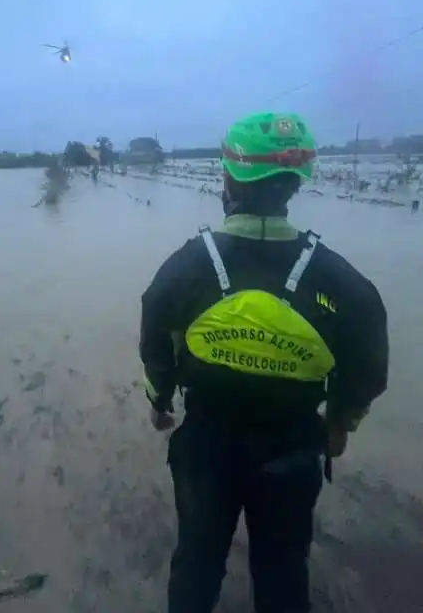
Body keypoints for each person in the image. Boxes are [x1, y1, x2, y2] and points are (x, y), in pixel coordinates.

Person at [139, 112, 389, 613]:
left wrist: (160, 400)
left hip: (206, 445)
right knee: (281, 569)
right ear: (296, 182)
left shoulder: (187, 266)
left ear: (229, 177)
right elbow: (367, 371)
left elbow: (156, 345)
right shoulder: (343, 282)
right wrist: (340, 422)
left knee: (197, 562)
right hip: (293, 450)